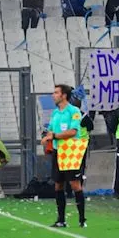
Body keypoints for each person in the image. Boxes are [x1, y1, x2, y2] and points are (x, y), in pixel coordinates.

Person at [44, 84, 88, 227]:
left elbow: (73, 131)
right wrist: (46, 137)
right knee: (58, 185)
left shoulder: (74, 111)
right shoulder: (55, 113)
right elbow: (49, 130)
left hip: (70, 152)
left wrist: (54, 136)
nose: (53, 95)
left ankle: (82, 219)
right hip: (58, 151)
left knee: (75, 184)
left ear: (63, 95)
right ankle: (61, 219)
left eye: (56, 92)